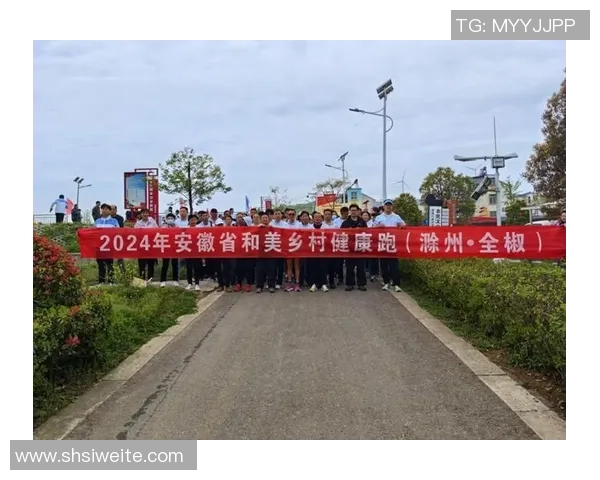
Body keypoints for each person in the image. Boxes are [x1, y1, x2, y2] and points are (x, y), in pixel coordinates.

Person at [373, 199, 405, 292]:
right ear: (384, 206)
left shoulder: (396, 216)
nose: (388, 206)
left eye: (390, 205)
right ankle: (386, 282)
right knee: (384, 265)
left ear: (392, 206)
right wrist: (378, 226)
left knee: (394, 265)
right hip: (383, 243)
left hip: (393, 244)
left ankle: (396, 284)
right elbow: (373, 228)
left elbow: (403, 225)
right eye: (387, 205)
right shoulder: (379, 217)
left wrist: (401, 226)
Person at [341, 203, 368, 291]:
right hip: (349, 248)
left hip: (360, 247)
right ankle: (350, 284)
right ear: (349, 211)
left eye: (355, 210)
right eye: (352, 210)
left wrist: (360, 231)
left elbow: (367, 233)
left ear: (358, 211)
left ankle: (361, 284)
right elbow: (341, 234)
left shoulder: (362, 222)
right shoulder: (345, 223)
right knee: (349, 267)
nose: (353, 212)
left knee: (361, 267)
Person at [94, 204, 119, 284]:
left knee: (110, 265)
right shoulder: (97, 221)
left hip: (109, 246)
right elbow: (93, 233)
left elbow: (118, 232)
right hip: (99, 247)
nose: (104, 210)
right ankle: (101, 282)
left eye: (106, 209)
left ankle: (111, 281)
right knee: (101, 265)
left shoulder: (114, 221)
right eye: (103, 209)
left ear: (110, 211)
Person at [134, 208, 158, 283]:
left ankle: (150, 279)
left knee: (151, 264)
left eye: (146, 213)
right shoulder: (138, 224)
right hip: (141, 246)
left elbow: (157, 231)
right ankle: (142, 281)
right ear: (141, 214)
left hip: (151, 246)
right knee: (141, 264)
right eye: (143, 213)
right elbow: (135, 234)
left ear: (148, 214)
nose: (145, 214)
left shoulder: (153, 222)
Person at [308, 212, 329, 292]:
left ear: (322, 218)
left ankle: (323, 284)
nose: (317, 218)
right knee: (313, 268)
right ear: (313, 219)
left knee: (323, 267)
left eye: (319, 217)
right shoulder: (309, 228)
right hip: (312, 251)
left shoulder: (326, 227)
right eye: (315, 217)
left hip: (323, 251)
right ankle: (314, 284)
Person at [256, 213, 276, 293]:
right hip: (260, 252)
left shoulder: (272, 228)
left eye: (266, 218)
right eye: (263, 218)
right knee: (260, 270)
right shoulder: (258, 228)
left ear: (269, 219)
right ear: (261, 220)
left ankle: (271, 286)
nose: (265, 219)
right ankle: (259, 286)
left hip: (271, 252)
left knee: (271, 270)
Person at [283, 208, 302, 292]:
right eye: (289, 214)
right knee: (289, 267)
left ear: (295, 215)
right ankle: (289, 283)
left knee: (296, 266)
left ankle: (297, 283)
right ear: (287, 215)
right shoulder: (284, 224)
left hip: (297, 247)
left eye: (293, 214)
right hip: (288, 248)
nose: (291, 216)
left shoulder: (299, 224)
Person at [159, 213, 180, 287]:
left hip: (174, 247)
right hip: (166, 247)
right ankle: (163, 280)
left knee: (175, 264)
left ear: (174, 219)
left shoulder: (177, 227)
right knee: (165, 265)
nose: (170, 219)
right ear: (166, 219)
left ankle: (175, 280)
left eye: (172, 218)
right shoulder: (163, 226)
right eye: (169, 218)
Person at [234, 217, 253, 292]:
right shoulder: (236, 229)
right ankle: (239, 284)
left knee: (248, 269)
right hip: (239, 252)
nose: (240, 221)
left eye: (243, 220)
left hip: (248, 253)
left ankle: (248, 284)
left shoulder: (251, 230)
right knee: (239, 269)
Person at [269, 209, 287, 289]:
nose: (277, 215)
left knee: (280, 267)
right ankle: (271, 282)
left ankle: (279, 282)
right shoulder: (270, 224)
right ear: (273, 215)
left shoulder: (285, 224)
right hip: (272, 248)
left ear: (281, 215)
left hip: (281, 248)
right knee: (272, 267)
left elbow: (286, 234)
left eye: (278, 213)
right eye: (275, 214)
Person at [185, 214, 203, 291]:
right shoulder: (185, 228)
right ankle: (189, 283)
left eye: (194, 220)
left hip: (197, 250)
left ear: (197, 220)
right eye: (191, 220)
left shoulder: (200, 228)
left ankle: (197, 284)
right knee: (189, 268)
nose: (193, 221)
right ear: (189, 221)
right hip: (188, 250)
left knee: (197, 268)